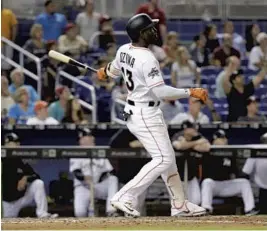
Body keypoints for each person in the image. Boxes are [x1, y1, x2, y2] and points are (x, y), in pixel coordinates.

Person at [96, 13, 208, 217]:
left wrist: (103, 71)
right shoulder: (147, 58)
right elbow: (161, 92)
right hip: (144, 112)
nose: (155, 31)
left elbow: (112, 71)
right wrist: (190, 92)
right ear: (141, 33)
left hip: (139, 110)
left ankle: (180, 205)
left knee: (169, 159)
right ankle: (125, 196)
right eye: (150, 28)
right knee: (163, 158)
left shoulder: (123, 50)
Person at [201, 130, 258, 215]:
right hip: (214, 185)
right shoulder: (208, 151)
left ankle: (249, 209)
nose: (224, 140)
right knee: (207, 182)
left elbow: (234, 171)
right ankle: (206, 209)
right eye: (221, 138)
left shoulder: (230, 152)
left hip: (226, 184)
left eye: (224, 138)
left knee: (244, 182)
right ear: (215, 140)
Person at [2, 133, 58, 218]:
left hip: (20, 199)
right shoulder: (2, 161)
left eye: (18, 143)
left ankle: (42, 214)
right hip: (4, 203)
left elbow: (36, 176)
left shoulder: (20, 160)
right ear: (5, 144)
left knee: (38, 183)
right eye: (13, 143)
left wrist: (26, 178)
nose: (17, 145)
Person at [69, 128, 119, 217]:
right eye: (86, 137)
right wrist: (85, 177)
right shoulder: (76, 152)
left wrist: (100, 178)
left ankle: (111, 210)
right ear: (81, 140)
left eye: (90, 136)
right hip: (83, 187)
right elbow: (76, 172)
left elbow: (109, 170)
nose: (90, 138)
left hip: (98, 186)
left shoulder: (99, 151)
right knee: (80, 213)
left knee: (113, 179)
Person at [172, 121, 211, 205]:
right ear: (186, 129)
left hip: (191, 176)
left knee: (196, 201)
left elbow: (206, 147)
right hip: (176, 177)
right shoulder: (177, 136)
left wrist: (188, 145)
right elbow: (179, 146)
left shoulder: (197, 136)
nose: (194, 130)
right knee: (178, 204)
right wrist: (195, 144)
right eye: (191, 128)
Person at [243, 132, 267, 214]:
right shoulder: (256, 152)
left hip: (260, 188)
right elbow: (246, 171)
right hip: (259, 188)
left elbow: (246, 171)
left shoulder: (255, 151)